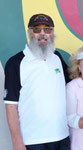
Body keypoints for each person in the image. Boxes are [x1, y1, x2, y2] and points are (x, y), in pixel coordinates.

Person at [4, 13, 70, 150]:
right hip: (33, 140)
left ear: (52, 33)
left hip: (62, 136)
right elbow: (11, 106)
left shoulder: (56, 57)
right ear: (29, 32)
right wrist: (17, 142)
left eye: (47, 30)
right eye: (37, 30)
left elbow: (75, 80)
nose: (42, 34)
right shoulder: (15, 63)